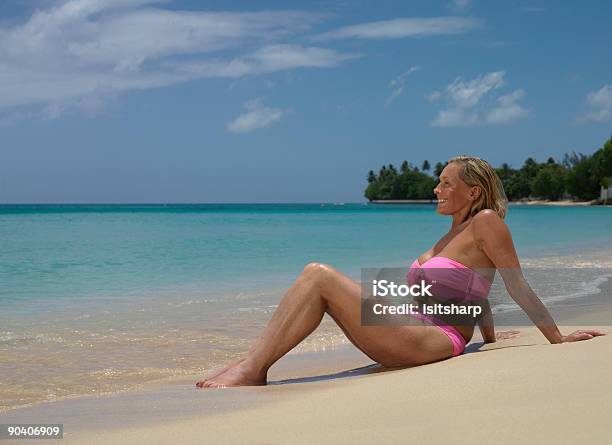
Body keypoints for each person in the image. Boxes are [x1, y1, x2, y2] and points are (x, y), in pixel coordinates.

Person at [196, 156, 606, 388]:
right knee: (316, 279)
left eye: (446, 184)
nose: (437, 190)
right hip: (416, 328)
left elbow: (515, 284)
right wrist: (490, 338)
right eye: (438, 183)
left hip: (435, 340)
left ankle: (252, 369)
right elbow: (476, 291)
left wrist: (558, 338)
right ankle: (251, 364)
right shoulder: (453, 233)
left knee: (317, 274)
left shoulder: (486, 223)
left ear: (473, 192)